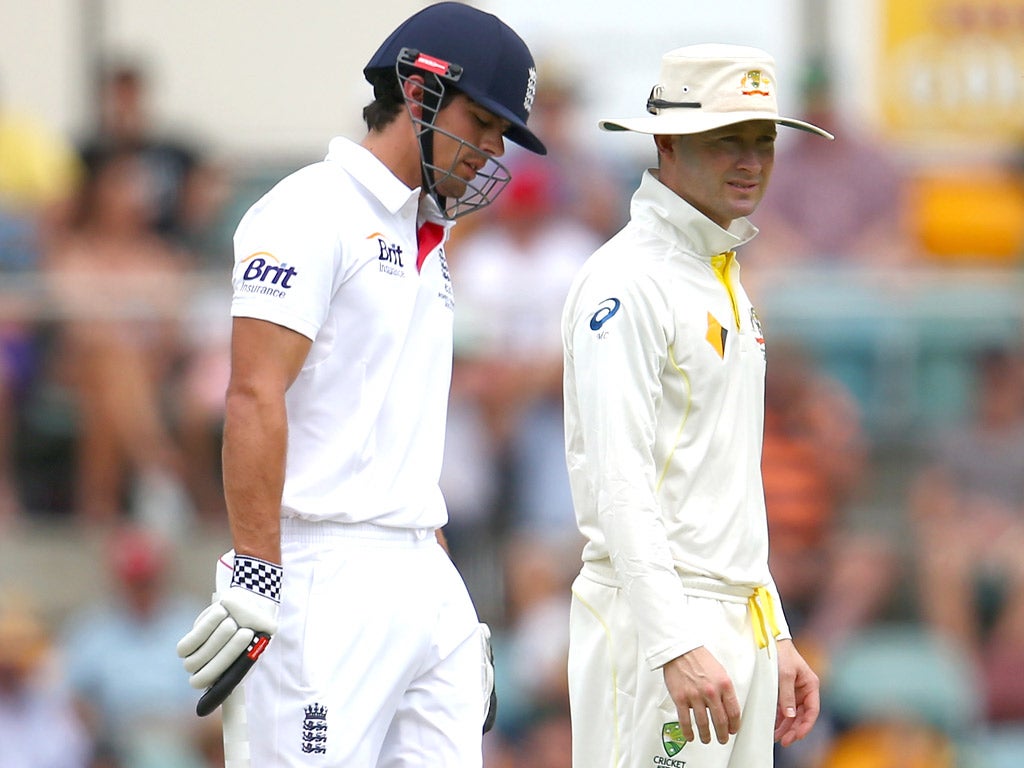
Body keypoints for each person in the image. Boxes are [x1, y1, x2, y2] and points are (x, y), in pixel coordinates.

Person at [175, 4, 547, 766]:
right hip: (318, 570)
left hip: (420, 571)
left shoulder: (428, 238)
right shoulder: (309, 211)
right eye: (481, 123)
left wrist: (441, 589)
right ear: (419, 95)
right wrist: (256, 565)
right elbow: (252, 394)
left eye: (502, 133)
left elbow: (397, 430)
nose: (490, 150)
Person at [561, 44, 831, 767]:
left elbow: (728, 482)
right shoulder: (628, 280)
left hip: (734, 623)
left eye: (762, 142)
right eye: (726, 141)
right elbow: (620, 480)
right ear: (668, 143)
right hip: (659, 621)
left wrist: (771, 629)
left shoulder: (722, 277)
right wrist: (672, 640)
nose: (750, 162)